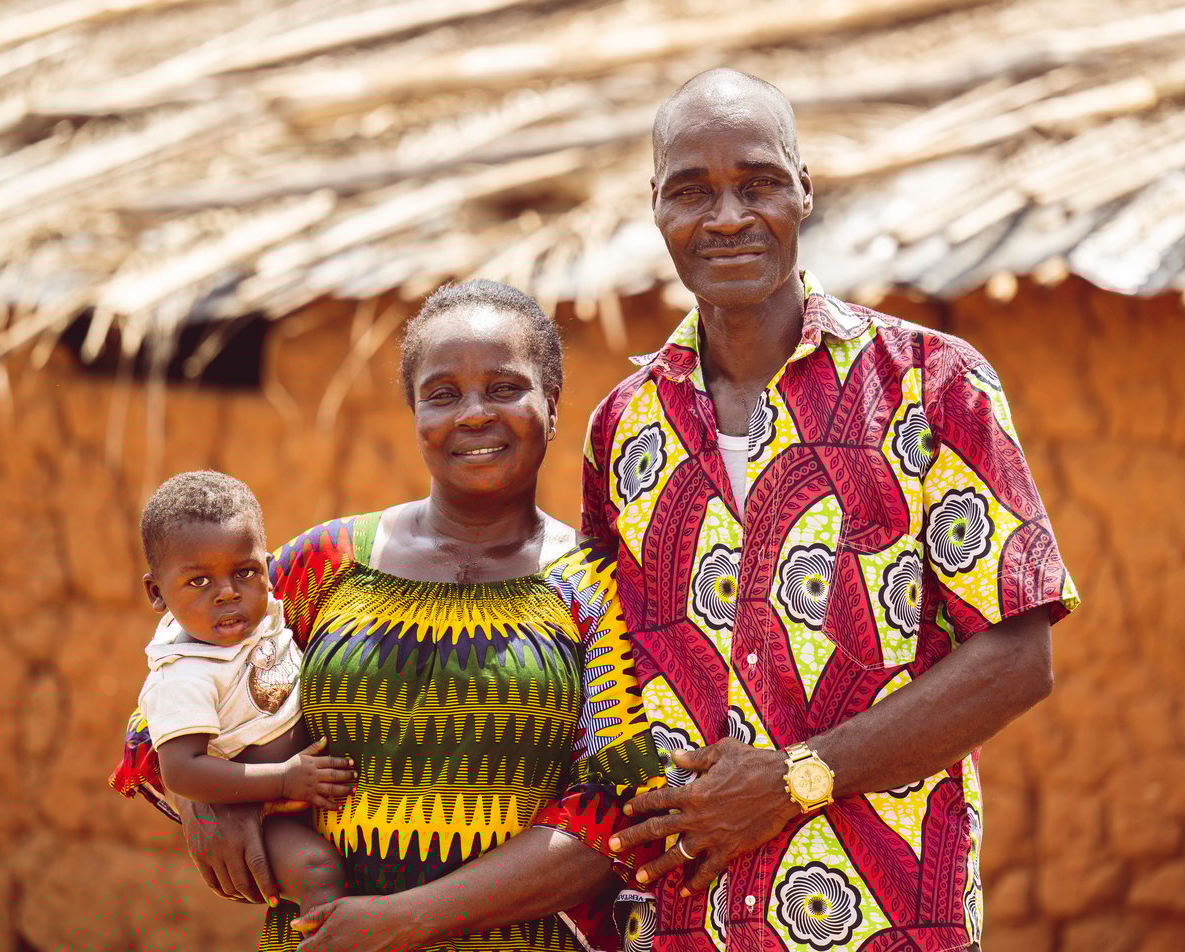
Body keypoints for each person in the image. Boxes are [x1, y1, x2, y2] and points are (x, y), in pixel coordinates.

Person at [587, 68, 1081, 951]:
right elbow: (603, 680)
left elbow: (1016, 658)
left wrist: (793, 780)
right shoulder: (623, 428)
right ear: (655, 208)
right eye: (692, 191)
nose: (729, 216)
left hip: (886, 923)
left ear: (805, 190)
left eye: (760, 181)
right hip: (679, 925)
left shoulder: (930, 387)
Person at [114, 280, 665, 952]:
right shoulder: (324, 563)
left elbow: (608, 824)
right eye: (441, 394)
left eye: (503, 387)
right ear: (413, 415)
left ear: (551, 406)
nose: (471, 414)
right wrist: (208, 802)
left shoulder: (599, 591)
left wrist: (405, 920)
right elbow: (172, 701)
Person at [116, 470, 354, 922]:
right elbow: (182, 771)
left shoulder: (266, 613)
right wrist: (283, 780)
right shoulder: (183, 675)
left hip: (313, 785)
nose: (227, 593)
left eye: (244, 572)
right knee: (317, 873)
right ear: (156, 593)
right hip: (263, 810)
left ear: (267, 570)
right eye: (199, 582)